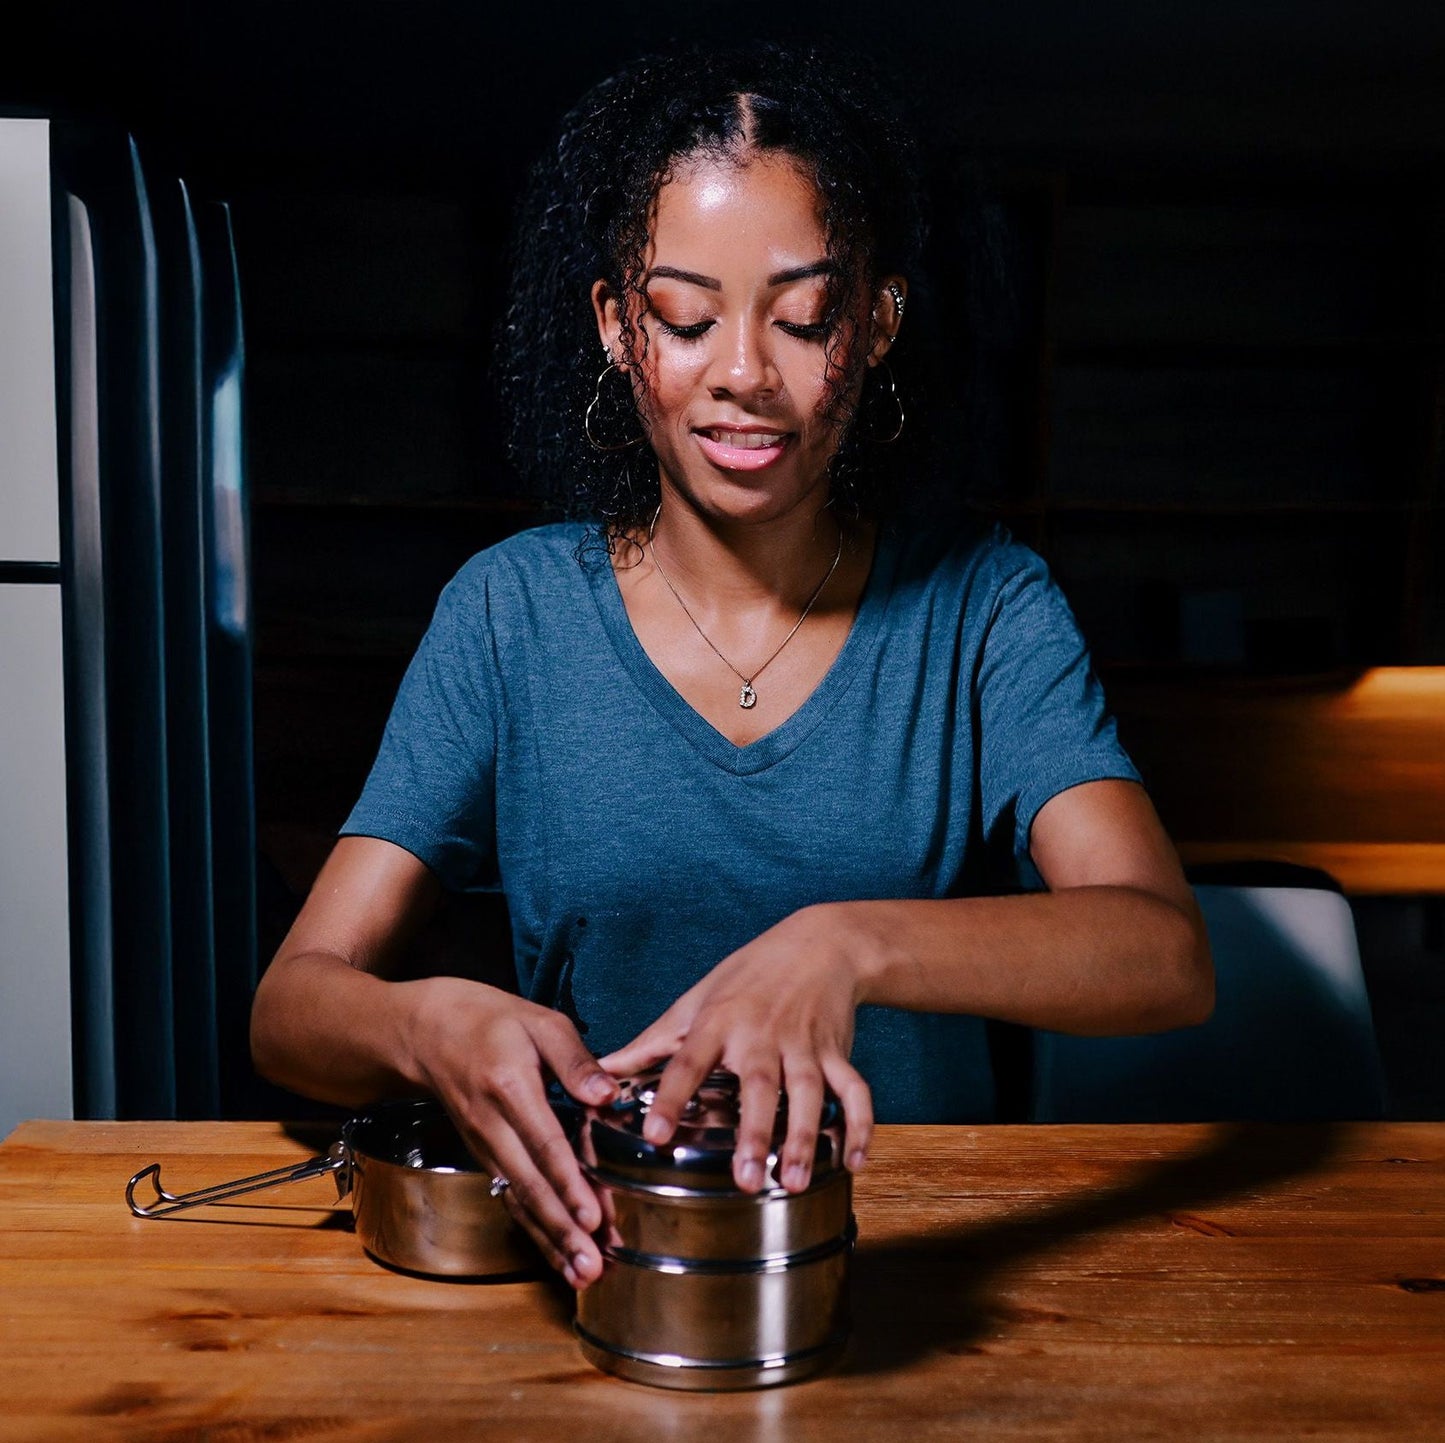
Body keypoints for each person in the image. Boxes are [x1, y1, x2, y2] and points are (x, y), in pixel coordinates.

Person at [250, 45, 1213, 1292]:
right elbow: (292, 1009)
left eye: (803, 316)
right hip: (617, 1266)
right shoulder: (509, 614)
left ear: (874, 325)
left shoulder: (983, 605)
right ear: (614, 325)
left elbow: (1161, 956)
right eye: (686, 318)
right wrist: (421, 1024)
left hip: (925, 1267)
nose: (745, 373)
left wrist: (848, 948)